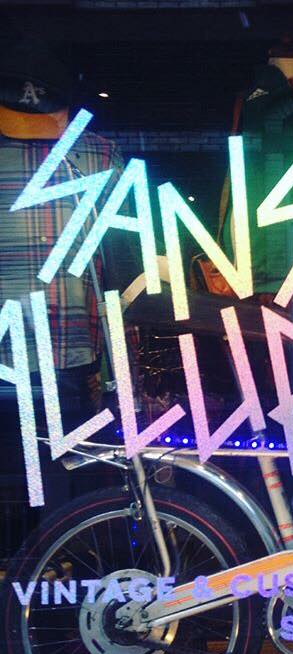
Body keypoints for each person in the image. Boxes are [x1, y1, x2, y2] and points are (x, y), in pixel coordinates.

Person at [0, 40, 138, 521]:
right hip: (50, 353)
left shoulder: (97, 153)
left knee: (50, 491)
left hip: (63, 356)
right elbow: (120, 262)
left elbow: (119, 260)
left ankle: (45, 560)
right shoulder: (97, 153)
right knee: (47, 490)